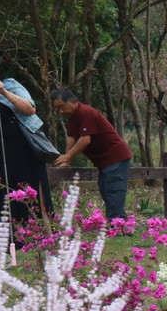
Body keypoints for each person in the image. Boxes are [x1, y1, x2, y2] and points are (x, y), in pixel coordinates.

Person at [51, 88, 133, 220]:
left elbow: (85, 139)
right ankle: (119, 225)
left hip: (115, 157)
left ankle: (118, 226)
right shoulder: (73, 117)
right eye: (57, 109)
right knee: (106, 191)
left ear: (72, 101)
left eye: (61, 107)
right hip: (104, 162)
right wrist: (67, 159)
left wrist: (68, 156)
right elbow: (71, 137)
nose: (60, 111)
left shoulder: (85, 113)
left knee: (114, 191)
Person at [0, 72, 52, 237]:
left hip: (24, 150)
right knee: (6, 197)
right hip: (2, 155)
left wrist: (4, 92)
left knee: (35, 193)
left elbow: (30, 109)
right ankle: (11, 241)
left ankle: (47, 238)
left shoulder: (10, 84)